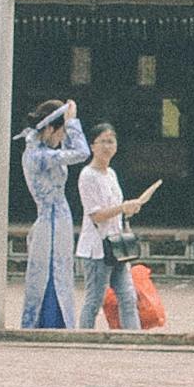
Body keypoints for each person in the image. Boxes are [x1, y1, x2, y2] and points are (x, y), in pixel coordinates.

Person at [75, 122, 161, 333]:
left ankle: (133, 339)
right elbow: (96, 214)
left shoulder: (111, 174)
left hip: (117, 245)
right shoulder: (88, 175)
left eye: (111, 141)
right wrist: (122, 207)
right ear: (92, 146)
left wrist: (128, 210)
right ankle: (83, 338)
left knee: (128, 296)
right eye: (102, 141)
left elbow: (115, 210)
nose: (107, 146)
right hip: (97, 248)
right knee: (94, 299)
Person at [17, 99, 90, 328]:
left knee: (60, 271)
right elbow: (81, 152)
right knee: (50, 274)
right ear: (49, 128)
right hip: (49, 222)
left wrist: (66, 123)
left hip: (58, 220)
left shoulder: (44, 152)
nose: (61, 138)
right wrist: (73, 122)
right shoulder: (39, 156)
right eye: (61, 131)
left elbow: (71, 151)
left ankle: (56, 322)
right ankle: (49, 323)